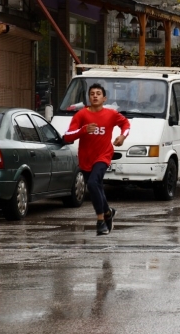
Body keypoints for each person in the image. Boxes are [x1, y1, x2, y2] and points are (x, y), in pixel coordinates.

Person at [64, 83, 130, 236]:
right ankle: (108, 212)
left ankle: (100, 221)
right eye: (92, 93)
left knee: (93, 183)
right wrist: (83, 130)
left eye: (98, 93)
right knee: (96, 187)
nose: (95, 96)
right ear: (89, 97)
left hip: (104, 155)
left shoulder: (111, 114)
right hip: (86, 157)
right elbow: (67, 136)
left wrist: (122, 136)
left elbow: (126, 124)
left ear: (104, 98)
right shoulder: (81, 115)